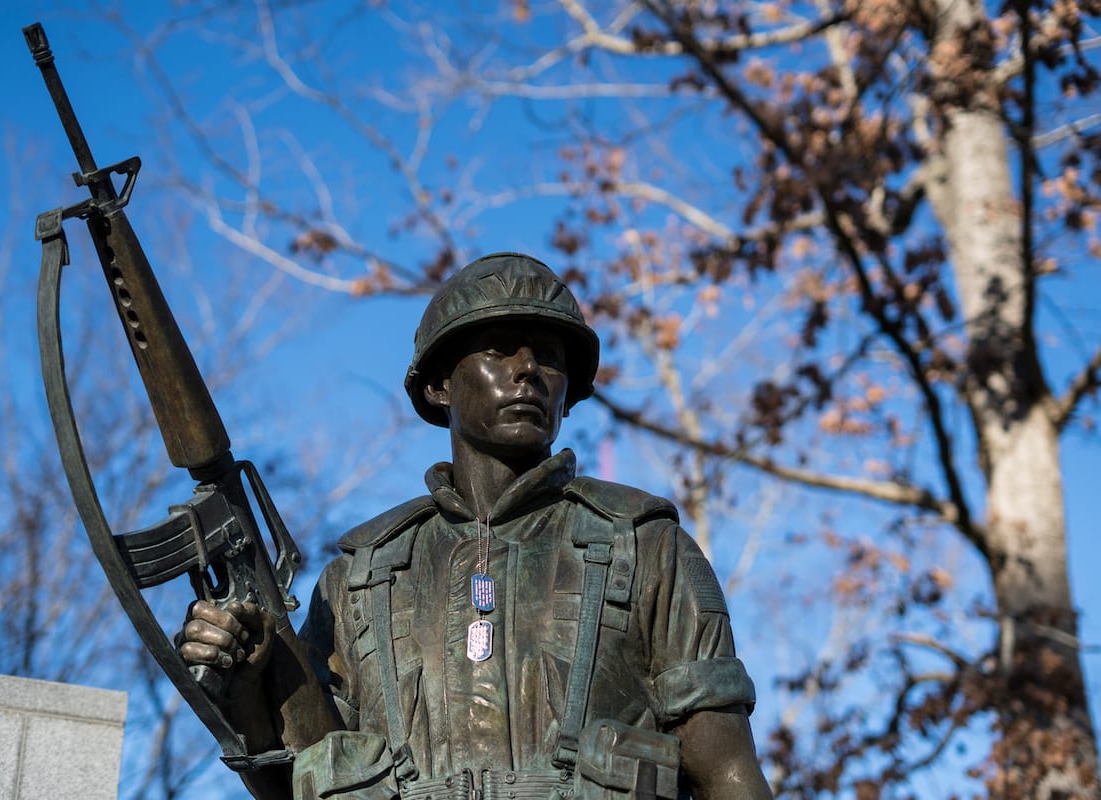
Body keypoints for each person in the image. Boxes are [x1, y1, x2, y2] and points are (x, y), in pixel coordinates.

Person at [180, 253, 773, 800]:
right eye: (498, 350)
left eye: (548, 356)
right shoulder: (358, 580)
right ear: (440, 386)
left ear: (569, 391)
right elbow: (294, 782)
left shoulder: (645, 544)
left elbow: (728, 771)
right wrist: (243, 691)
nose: (528, 372)